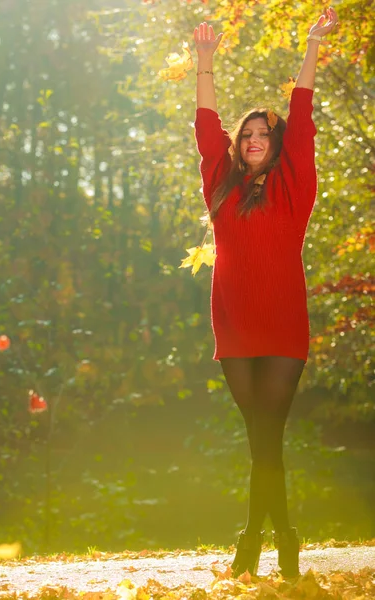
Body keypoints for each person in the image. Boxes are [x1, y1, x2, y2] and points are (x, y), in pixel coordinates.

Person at [193, 7, 338, 578]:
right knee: (260, 437)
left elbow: (301, 117)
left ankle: (259, 537)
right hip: (233, 323)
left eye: (263, 134)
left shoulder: (295, 181)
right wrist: (204, 61)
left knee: (267, 434)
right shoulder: (221, 183)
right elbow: (206, 128)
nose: (254, 140)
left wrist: (311, 45)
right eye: (246, 134)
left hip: (281, 325)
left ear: (276, 143)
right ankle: (281, 534)